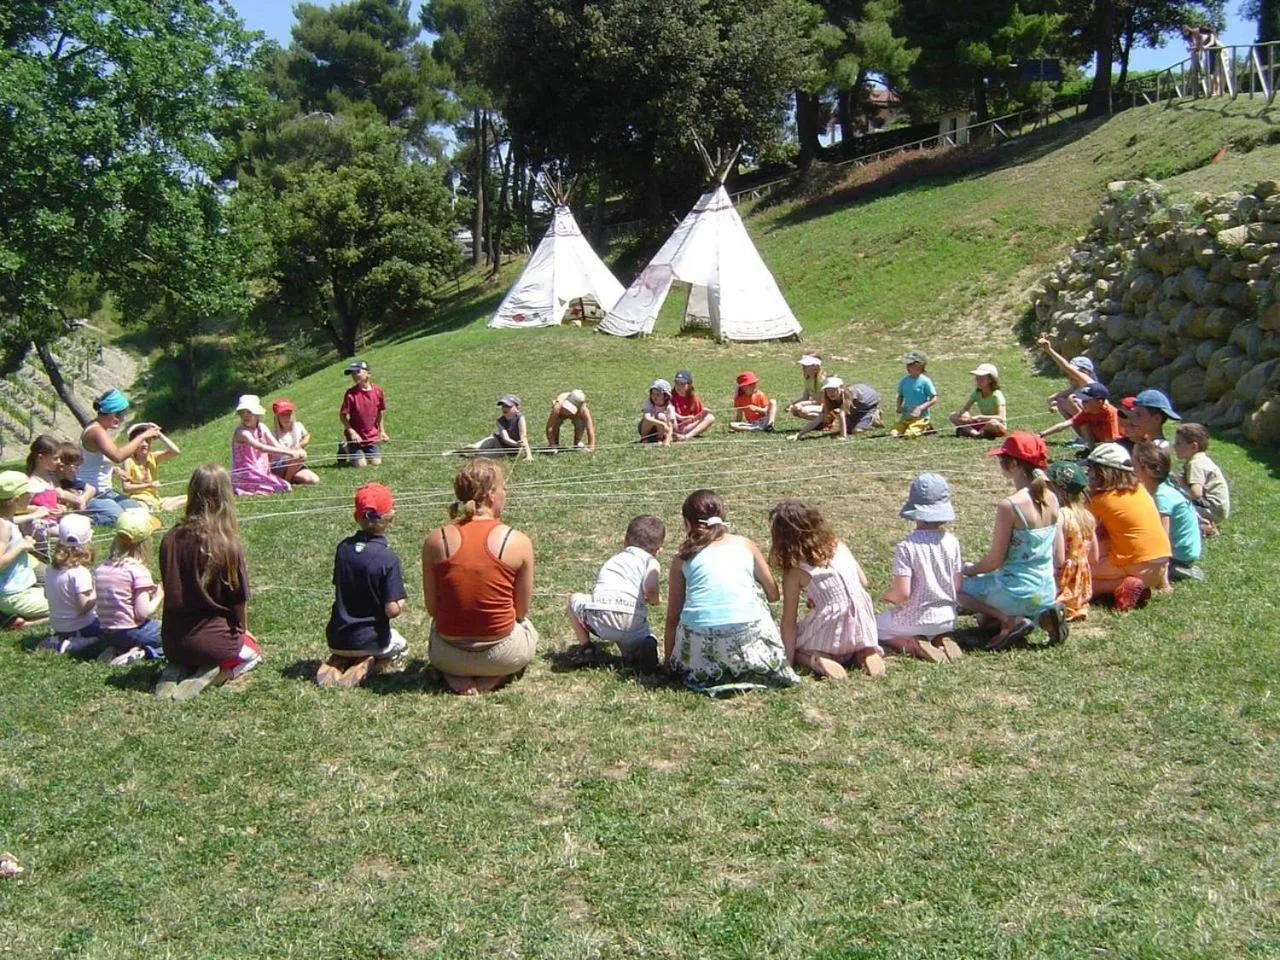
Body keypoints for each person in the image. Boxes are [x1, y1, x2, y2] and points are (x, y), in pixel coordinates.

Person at [663, 489, 798, 694]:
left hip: (700, 646)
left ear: (687, 523)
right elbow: (773, 594)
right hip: (749, 635)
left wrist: (668, 662)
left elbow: (673, 617)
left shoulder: (681, 557)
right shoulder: (745, 545)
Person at [422, 460, 537, 695]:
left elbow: (433, 609)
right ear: (492, 495)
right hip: (503, 654)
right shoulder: (518, 541)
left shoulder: (435, 540)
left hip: (446, 654)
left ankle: (455, 675)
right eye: (504, 487)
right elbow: (521, 610)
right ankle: (494, 675)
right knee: (529, 629)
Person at [155, 465, 262, 700]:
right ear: (226, 496)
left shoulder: (170, 538)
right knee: (252, 652)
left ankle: (178, 669)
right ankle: (219, 672)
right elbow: (238, 599)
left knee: (188, 653)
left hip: (173, 642)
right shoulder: (227, 544)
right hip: (215, 643)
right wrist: (243, 631)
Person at [957, 433, 1068, 650]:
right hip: (1046, 589)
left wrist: (968, 569)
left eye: (1002, 459)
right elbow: (1059, 557)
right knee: (984, 620)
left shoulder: (1010, 506)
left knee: (953, 587)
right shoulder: (1053, 499)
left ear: (1014, 464)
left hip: (1014, 589)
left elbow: (994, 562)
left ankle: (1009, 620)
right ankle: (1039, 617)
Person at [768, 499, 884, 679]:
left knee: (793, 640)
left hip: (833, 629)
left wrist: (788, 660)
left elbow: (789, 622)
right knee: (856, 642)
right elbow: (864, 581)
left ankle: (816, 658)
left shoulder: (796, 572)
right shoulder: (838, 545)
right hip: (862, 625)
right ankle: (865, 652)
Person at [317, 483, 409, 688]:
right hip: (372, 639)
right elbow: (392, 610)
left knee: (346, 648)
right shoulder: (388, 559)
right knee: (401, 645)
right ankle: (372, 662)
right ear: (390, 518)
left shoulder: (343, 549)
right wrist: (401, 601)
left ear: (355, 516)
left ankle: (338, 661)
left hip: (337, 637)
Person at [877, 473, 964, 663]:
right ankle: (940, 638)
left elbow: (903, 593)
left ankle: (912, 644)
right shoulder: (952, 542)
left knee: (875, 626)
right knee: (933, 628)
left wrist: (887, 597)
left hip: (914, 618)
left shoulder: (907, 546)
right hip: (946, 618)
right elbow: (957, 585)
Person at [567, 514, 665, 672]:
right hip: (632, 622)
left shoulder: (614, 559)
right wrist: (654, 600)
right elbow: (651, 587)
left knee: (574, 599)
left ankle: (586, 648)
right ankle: (640, 650)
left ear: (625, 540)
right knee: (643, 638)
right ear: (658, 551)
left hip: (600, 617)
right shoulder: (650, 561)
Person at [1084, 443, 1171, 611]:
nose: (1089, 474)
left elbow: (1083, 530)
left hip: (1136, 564)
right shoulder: (1140, 489)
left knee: (1081, 580)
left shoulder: (1100, 500)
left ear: (1102, 473)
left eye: (1091, 470)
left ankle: (1120, 585)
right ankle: (1140, 587)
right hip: (1161, 565)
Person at [94, 509, 164, 665]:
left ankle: (117, 649)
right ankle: (141, 653)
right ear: (146, 542)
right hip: (131, 630)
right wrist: (158, 597)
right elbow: (142, 613)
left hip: (107, 631)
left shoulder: (101, 568)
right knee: (172, 634)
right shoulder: (138, 570)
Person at [76, 389, 157, 525]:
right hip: (91, 494)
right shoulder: (96, 432)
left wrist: (114, 470)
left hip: (106, 492)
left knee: (140, 512)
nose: (123, 419)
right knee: (119, 519)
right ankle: (81, 517)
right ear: (114, 415)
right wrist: (143, 436)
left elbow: (97, 460)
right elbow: (117, 456)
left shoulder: (100, 429)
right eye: (122, 415)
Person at [1133, 441, 1204, 583]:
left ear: (1145, 468)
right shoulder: (1164, 487)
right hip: (1183, 552)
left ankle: (1175, 570)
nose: (1131, 468)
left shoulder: (1162, 497)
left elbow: (1161, 539)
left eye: (1133, 465)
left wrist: (1162, 581)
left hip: (1178, 555)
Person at [37, 514, 100, 654]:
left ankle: (59, 639)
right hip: (82, 625)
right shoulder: (79, 572)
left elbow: (47, 595)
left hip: (57, 624)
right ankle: (80, 641)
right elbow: (82, 608)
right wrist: (97, 592)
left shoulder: (50, 569)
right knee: (108, 629)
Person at [1046, 460, 1097, 622]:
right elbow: (1094, 557)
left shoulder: (1060, 516)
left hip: (1062, 581)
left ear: (1056, 489)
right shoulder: (1088, 516)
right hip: (1082, 588)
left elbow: (1059, 559)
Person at [0, 472, 48, 630]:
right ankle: (25, 624)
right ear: (16, 500)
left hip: (17, 591)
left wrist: (33, 514)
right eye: (28, 493)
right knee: (71, 603)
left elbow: (10, 521)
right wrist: (22, 546)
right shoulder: (3, 527)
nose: (31, 496)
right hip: (13, 595)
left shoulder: (4, 520)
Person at [230, 395, 294, 496]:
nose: (245, 416)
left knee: (286, 486)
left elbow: (276, 445)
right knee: (275, 488)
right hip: (247, 474)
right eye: (242, 413)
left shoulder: (262, 427)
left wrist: (293, 451)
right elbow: (261, 447)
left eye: (249, 412)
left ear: (257, 414)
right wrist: (289, 452)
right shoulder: (241, 433)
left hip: (262, 471)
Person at [1173, 422, 1229, 535]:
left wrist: (1181, 487)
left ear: (1194, 446)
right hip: (1217, 508)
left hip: (1212, 508)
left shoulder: (1196, 463)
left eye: (1178, 443)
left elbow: (1196, 493)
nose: (1175, 446)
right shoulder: (1200, 460)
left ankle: (1204, 527)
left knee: (1174, 508)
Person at [120, 422, 187, 512]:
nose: (145, 445)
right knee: (142, 509)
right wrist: (149, 485)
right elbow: (126, 488)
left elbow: (175, 451)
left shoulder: (153, 457)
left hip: (156, 500)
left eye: (148, 441)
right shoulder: (128, 461)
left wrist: (159, 434)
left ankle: (160, 508)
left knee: (189, 498)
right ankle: (156, 509)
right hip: (139, 500)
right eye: (141, 442)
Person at [792, 377, 880, 441]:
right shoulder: (828, 399)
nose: (831, 393)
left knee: (857, 431)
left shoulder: (848, 394)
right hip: (855, 407)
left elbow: (842, 414)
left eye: (834, 389)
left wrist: (843, 436)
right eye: (828, 390)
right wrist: (798, 435)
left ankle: (875, 415)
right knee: (848, 429)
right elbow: (818, 419)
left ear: (841, 388)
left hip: (868, 405)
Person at [1040, 382, 1122, 450]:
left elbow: (1112, 441)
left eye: (1086, 401)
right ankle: (1091, 450)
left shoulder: (1110, 413)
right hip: (1101, 442)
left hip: (1118, 446)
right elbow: (1065, 425)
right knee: (1083, 424)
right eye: (1082, 400)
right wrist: (1041, 434)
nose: (1083, 403)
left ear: (1099, 402)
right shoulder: (1087, 412)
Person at [338, 359, 388, 467]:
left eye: (357, 372)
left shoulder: (377, 391)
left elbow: (379, 412)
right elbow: (342, 416)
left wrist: (382, 431)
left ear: (368, 373)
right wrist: (352, 432)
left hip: (371, 436)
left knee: (376, 463)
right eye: (352, 373)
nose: (354, 375)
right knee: (361, 465)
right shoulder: (351, 394)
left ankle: (364, 451)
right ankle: (345, 447)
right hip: (355, 438)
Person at [454, 395, 534, 461]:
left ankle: (466, 454)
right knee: (474, 447)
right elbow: (505, 438)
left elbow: (523, 437)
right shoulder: (500, 421)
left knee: (479, 456)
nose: (504, 408)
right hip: (496, 439)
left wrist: (528, 455)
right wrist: (516, 444)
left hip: (504, 450)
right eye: (503, 406)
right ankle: (456, 451)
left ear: (517, 407)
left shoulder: (520, 418)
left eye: (508, 406)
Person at [1037, 336, 1098, 423]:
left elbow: (1064, 366)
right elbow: (1061, 394)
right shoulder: (1077, 384)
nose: (1071, 373)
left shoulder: (1089, 383)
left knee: (1072, 400)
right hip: (1086, 416)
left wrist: (1049, 350)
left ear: (1086, 371)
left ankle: (1087, 435)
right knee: (1060, 400)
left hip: (1095, 419)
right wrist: (1052, 401)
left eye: (1075, 371)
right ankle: (1079, 433)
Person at [950, 363, 1007, 439]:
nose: (978, 381)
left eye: (982, 379)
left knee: (992, 423)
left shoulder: (997, 395)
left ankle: (970, 432)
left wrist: (980, 417)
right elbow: (965, 408)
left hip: (996, 425)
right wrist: (964, 414)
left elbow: (1000, 417)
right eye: (977, 378)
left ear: (990, 380)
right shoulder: (977, 393)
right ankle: (977, 434)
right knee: (953, 416)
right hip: (982, 424)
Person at [271, 399, 320, 485]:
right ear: (277, 417)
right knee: (300, 455)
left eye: (289, 414)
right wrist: (293, 453)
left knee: (314, 480)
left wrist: (300, 445)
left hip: (296, 463)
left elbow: (307, 436)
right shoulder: (273, 433)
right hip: (280, 465)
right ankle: (286, 482)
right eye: (283, 415)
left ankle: (289, 477)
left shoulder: (298, 426)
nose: (286, 418)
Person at [891, 350, 937, 438]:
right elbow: (900, 395)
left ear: (919, 365)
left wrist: (920, 408)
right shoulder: (904, 381)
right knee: (894, 434)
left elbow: (934, 399)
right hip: (906, 416)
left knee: (909, 435)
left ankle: (926, 427)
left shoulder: (925, 381)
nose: (907, 367)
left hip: (920, 417)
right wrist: (899, 406)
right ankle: (909, 426)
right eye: (907, 365)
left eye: (910, 365)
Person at [670, 370, 715, 441]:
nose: (678, 386)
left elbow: (696, 417)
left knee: (710, 417)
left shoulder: (694, 399)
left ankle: (686, 437)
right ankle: (679, 435)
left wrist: (703, 413)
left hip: (688, 427)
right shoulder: (670, 397)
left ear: (689, 385)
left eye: (682, 384)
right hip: (674, 427)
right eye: (676, 383)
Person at [54, 443, 94, 515]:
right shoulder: (51, 479)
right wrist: (76, 500)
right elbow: (60, 494)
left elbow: (91, 489)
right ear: (62, 466)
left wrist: (82, 499)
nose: (78, 470)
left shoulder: (69, 480)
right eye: (76, 466)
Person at [638, 379, 677, 445]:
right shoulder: (649, 403)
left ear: (665, 396)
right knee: (649, 418)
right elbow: (647, 417)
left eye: (658, 395)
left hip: (664, 430)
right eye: (653, 394)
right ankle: (644, 438)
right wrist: (661, 424)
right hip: (648, 429)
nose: (654, 397)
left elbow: (671, 426)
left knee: (661, 416)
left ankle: (660, 438)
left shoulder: (669, 407)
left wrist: (668, 438)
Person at [788, 354, 826, 421]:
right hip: (818, 405)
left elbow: (821, 401)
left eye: (806, 366)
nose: (803, 368)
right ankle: (819, 422)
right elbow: (805, 398)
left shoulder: (821, 380)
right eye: (803, 366)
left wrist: (801, 404)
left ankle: (824, 422)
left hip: (826, 407)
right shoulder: (808, 379)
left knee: (802, 410)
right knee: (795, 410)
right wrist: (792, 404)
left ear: (815, 367)